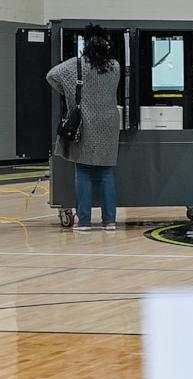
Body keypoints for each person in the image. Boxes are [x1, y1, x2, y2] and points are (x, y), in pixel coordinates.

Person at [46, 24, 121, 232]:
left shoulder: (75, 65)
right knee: (106, 173)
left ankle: (85, 222)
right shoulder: (115, 66)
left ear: (85, 45)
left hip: (85, 123)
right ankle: (110, 221)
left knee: (84, 171)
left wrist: (68, 93)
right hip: (109, 123)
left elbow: (51, 75)